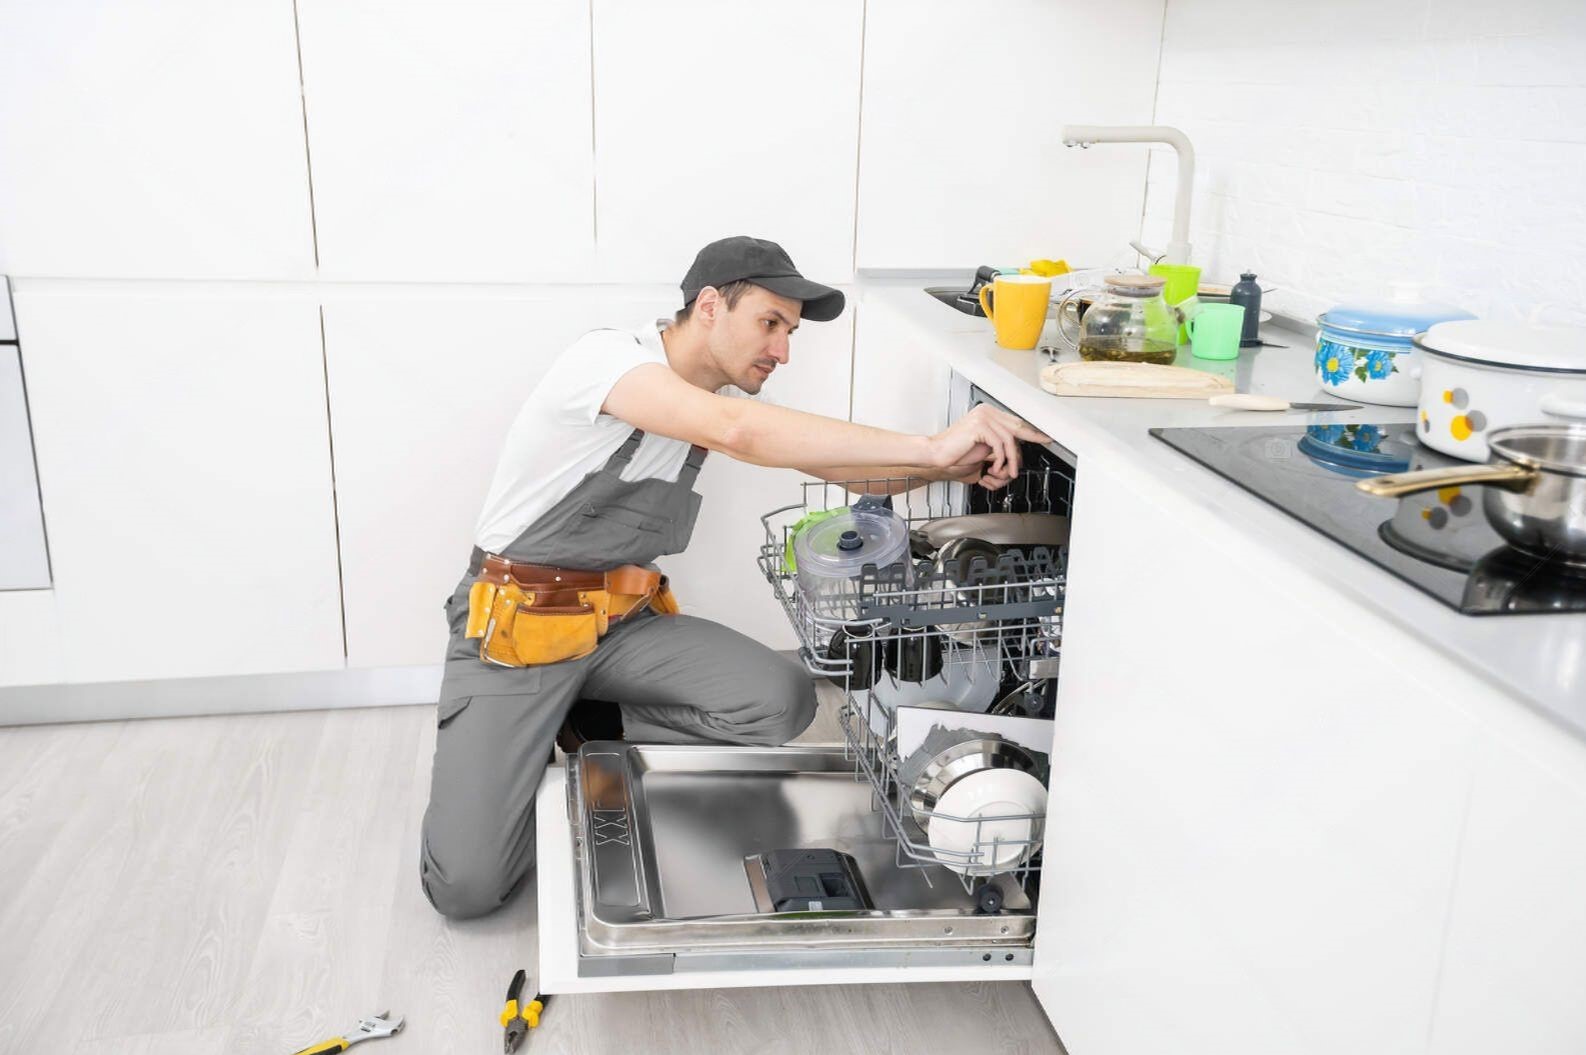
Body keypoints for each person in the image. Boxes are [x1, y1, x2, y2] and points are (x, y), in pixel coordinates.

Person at [419, 235, 1047, 919]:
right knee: (467, 888)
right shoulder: (609, 363)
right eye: (770, 323)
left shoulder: (708, 400)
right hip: (519, 631)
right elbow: (738, 431)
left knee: (780, 700)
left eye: (790, 332)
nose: (782, 350)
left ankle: (579, 721)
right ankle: (522, 725)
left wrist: (948, 463)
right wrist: (930, 445)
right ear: (711, 306)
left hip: (616, 628)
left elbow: (856, 475)